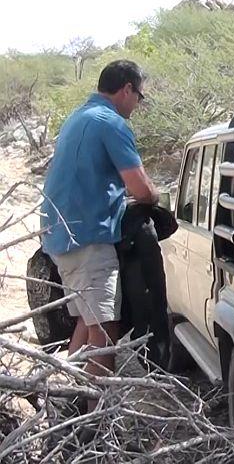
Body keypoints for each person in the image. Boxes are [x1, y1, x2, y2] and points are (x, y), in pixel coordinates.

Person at [41, 59, 159, 409]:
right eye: (138, 97)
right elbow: (141, 189)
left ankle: (64, 402)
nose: (137, 105)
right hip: (87, 239)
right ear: (126, 90)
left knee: (86, 319)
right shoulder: (111, 122)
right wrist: (153, 198)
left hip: (60, 236)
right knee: (106, 328)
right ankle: (94, 419)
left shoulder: (78, 117)